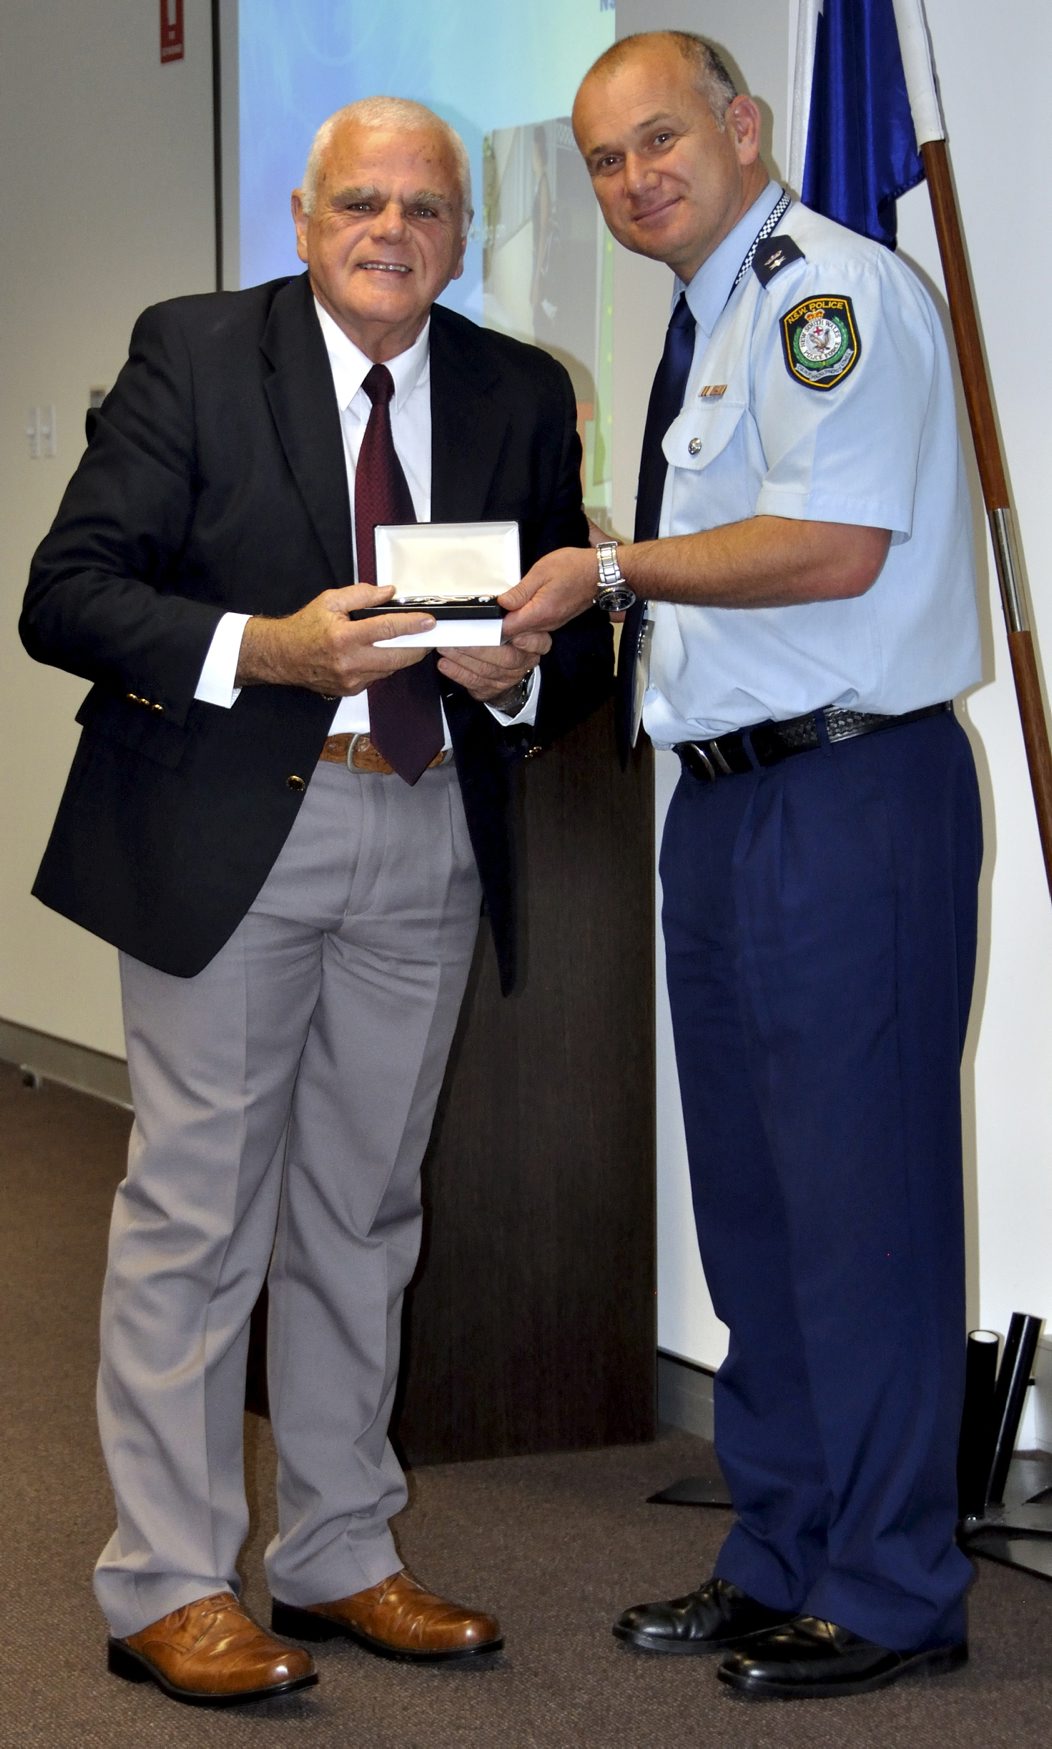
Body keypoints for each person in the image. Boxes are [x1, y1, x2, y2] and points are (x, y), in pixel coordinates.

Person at [20, 97, 611, 1708]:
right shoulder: (198, 354)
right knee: (199, 1212)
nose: (391, 231)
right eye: (362, 201)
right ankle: (167, 1579)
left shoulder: (515, 389)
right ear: (302, 218)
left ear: (460, 236)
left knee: (364, 1207)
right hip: (231, 827)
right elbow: (66, 596)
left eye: (425, 208)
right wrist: (264, 648)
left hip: (423, 829)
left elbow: (570, 648)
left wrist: (516, 675)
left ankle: (343, 1547)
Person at [500, 30, 982, 1701]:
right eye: (605, 159)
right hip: (724, 806)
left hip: (850, 799)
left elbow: (832, 546)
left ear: (747, 125)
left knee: (865, 1205)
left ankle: (895, 1582)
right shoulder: (706, 319)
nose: (636, 178)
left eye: (661, 139)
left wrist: (610, 569)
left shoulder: (822, 295)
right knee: (759, 1205)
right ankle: (781, 1545)